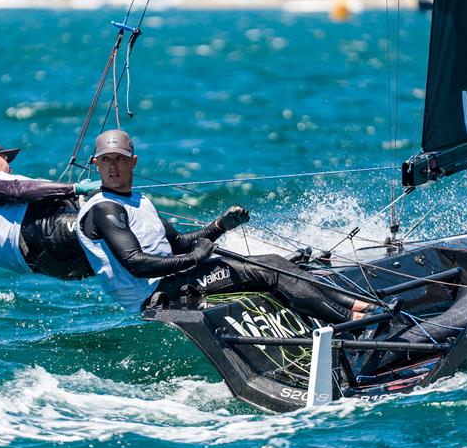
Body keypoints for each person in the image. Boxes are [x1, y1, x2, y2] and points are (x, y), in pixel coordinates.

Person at [76, 129, 377, 322]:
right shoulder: (104, 208)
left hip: (172, 279)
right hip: (153, 298)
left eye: (120, 159)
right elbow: (135, 263)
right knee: (268, 269)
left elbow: (178, 243)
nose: (113, 167)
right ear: (96, 164)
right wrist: (198, 258)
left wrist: (219, 226)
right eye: (106, 161)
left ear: (134, 162)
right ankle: (350, 320)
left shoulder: (138, 201)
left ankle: (359, 306)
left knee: (272, 262)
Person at [0, 135, 98, 280]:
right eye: (5, 161)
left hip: (47, 265)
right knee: (103, 221)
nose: (10, 169)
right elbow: (18, 190)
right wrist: (75, 189)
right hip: (44, 236)